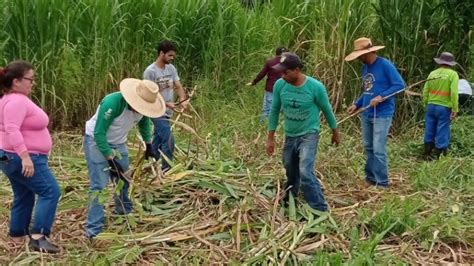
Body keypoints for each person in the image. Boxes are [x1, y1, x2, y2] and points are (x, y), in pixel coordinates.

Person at [84, 78, 165, 238]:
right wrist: (110, 159)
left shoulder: (142, 110)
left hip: (119, 143)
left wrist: (148, 145)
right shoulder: (113, 103)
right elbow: (99, 133)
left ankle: (123, 212)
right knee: (98, 186)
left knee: (124, 179)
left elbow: (144, 122)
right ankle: (93, 230)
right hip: (96, 141)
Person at [266, 53, 340, 212]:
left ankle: (319, 207)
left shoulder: (315, 87)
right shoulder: (280, 85)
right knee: (289, 167)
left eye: (286, 72)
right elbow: (274, 111)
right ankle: (290, 197)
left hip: (309, 134)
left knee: (305, 171)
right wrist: (270, 138)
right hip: (290, 134)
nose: (282, 76)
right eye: (281, 72)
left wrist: (335, 132)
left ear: (297, 70)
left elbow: (327, 110)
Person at [0, 60, 61, 253]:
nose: (33, 83)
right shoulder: (15, 101)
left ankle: (17, 234)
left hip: (10, 157)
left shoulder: (10, 99)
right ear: (16, 81)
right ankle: (39, 236)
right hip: (22, 157)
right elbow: (11, 129)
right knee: (50, 191)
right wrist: (25, 157)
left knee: (24, 194)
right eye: (30, 79)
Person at [345, 37, 405, 188]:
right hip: (366, 113)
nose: (358, 59)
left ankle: (382, 182)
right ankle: (371, 178)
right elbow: (367, 90)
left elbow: (399, 85)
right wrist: (356, 104)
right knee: (368, 147)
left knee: (378, 148)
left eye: (360, 56)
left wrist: (381, 97)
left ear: (367, 53)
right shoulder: (365, 67)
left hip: (382, 114)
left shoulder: (385, 65)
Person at [143, 40, 189, 172]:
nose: (172, 58)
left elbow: (178, 86)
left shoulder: (171, 68)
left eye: (173, 56)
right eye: (170, 55)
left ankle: (151, 166)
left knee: (158, 139)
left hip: (168, 110)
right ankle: (166, 170)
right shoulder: (150, 72)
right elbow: (149, 94)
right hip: (156, 111)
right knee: (169, 140)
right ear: (161, 53)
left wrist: (182, 98)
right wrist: (165, 103)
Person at [422, 52, 459, 159]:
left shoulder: (432, 73)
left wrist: (426, 103)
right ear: (451, 63)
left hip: (431, 106)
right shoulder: (453, 75)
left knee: (429, 127)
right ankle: (438, 154)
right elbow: (454, 93)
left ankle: (427, 152)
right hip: (444, 108)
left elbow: (425, 90)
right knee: (442, 129)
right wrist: (455, 108)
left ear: (440, 62)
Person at [247, 46, 288, 121]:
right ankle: (278, 126)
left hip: (271, 88)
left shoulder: (270, 62)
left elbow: (262, 74)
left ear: (276, 53)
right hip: (283, 89)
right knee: (281, 110)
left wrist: (254, 82)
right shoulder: (288, 63)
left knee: (267, 109)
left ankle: (264, 127)